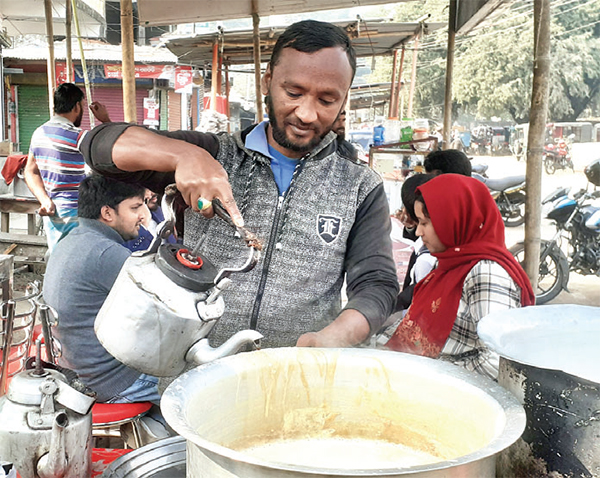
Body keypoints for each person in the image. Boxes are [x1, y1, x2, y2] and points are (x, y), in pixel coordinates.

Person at [80, 20, 399, 350]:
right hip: (195, 370)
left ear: (344, 99)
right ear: (267, 81)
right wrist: (181, 156)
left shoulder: (360, 186)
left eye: (327, 100)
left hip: (295, 375)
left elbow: (377, 283)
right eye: (293, 93)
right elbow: (97, 147)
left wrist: (339, 334)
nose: (306, 113)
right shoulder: (217, 155)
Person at [386, 174, 535, 379]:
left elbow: (498, 360)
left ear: (452, 220)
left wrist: (434, 380)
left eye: (425, 223)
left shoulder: (485, 273)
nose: (419, 231)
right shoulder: (450, 261)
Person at [42, 174, 161, 403]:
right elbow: (159, 307)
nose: (142, 216)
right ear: (108, 213)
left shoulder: (70, 240)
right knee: (194, 384)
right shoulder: (106, 253)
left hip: (74, 370)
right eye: (135, 207)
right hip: (106, 381)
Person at [24, 83, 111, 252]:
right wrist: (106, 120)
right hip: (76, 212)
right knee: (75, 260)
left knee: (59, 257)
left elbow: (30, 171)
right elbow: (113, 151)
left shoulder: (38, 133)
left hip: (53, 212)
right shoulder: (77, 136)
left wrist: (44, 200)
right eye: (83, 106)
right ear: (77, 106)